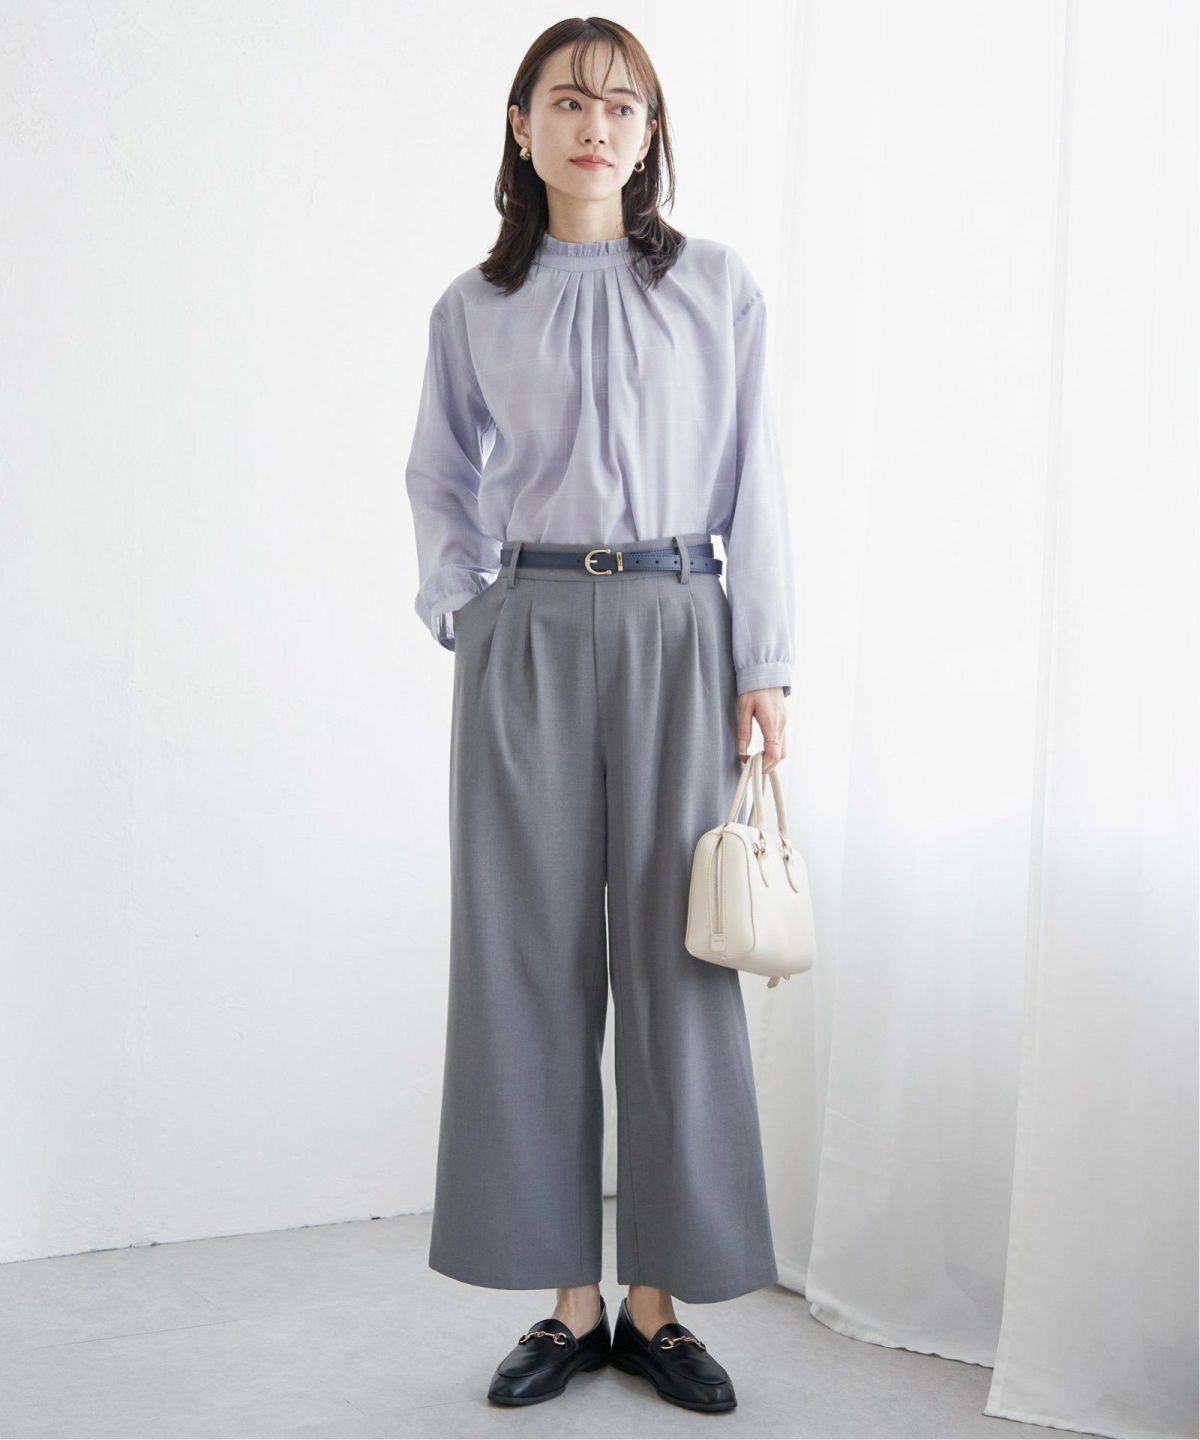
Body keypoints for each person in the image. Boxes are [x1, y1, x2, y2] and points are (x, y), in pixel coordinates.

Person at [403, 16, 794, 1415]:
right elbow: (439, 474)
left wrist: (765, 662)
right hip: (526, 632)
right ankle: (569, 1301)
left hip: (684, 623)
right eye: (568, 102)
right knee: (524, 958)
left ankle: (657, 1305)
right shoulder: (473, 306)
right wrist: (467, 605)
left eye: (623, 105)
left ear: (650, 132)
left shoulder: (718, 287)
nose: (596, 126)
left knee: (679, 963)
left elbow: (757, 478)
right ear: (522, 127)